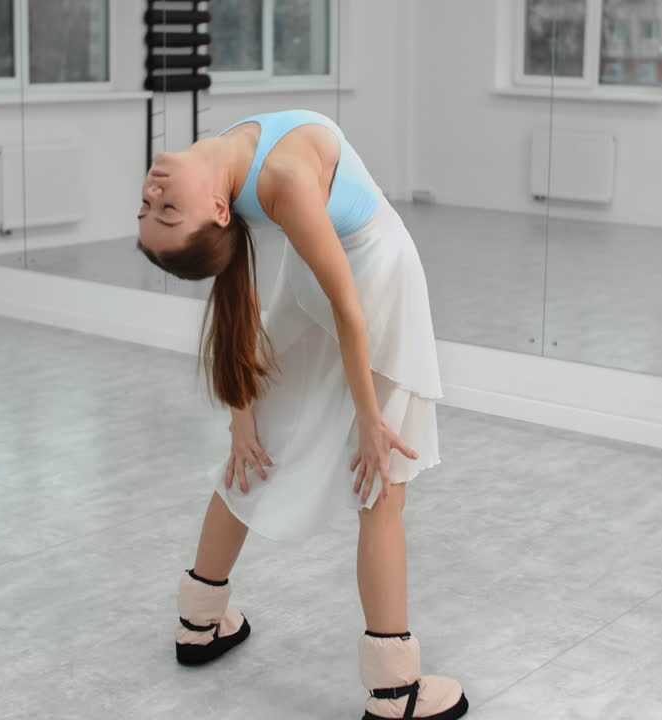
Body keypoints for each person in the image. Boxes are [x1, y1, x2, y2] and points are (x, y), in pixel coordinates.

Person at [136, 109, 469, 720]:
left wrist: (250, 412)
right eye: (164, 212)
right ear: (216, 211)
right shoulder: (276, 176)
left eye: (151, 209)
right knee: (384, 488)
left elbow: (256, 287)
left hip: (322, 279)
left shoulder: (229, 158)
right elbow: (346, 305)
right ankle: (396, 691)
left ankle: (200, 621)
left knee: (261, 449)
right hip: (365, 285)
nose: (152, 195)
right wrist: (367, 419)